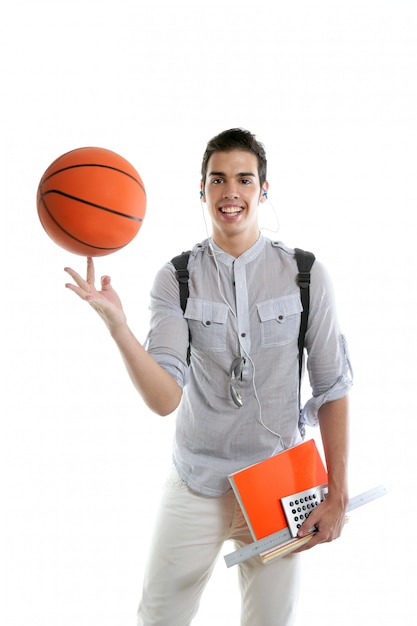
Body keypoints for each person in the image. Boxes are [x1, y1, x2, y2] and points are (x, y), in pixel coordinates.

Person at [65, 128, 352, 626]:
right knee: (159, 617)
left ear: (264, 189)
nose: (231, 192)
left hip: (278, 484)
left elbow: (333, 389)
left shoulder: (307, 274)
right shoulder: (175, 277)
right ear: (202, 191)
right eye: (218, 180)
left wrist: (338, 494)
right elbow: (163, 399)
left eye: (244, 179)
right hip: (198, 480)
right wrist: (118, 326)